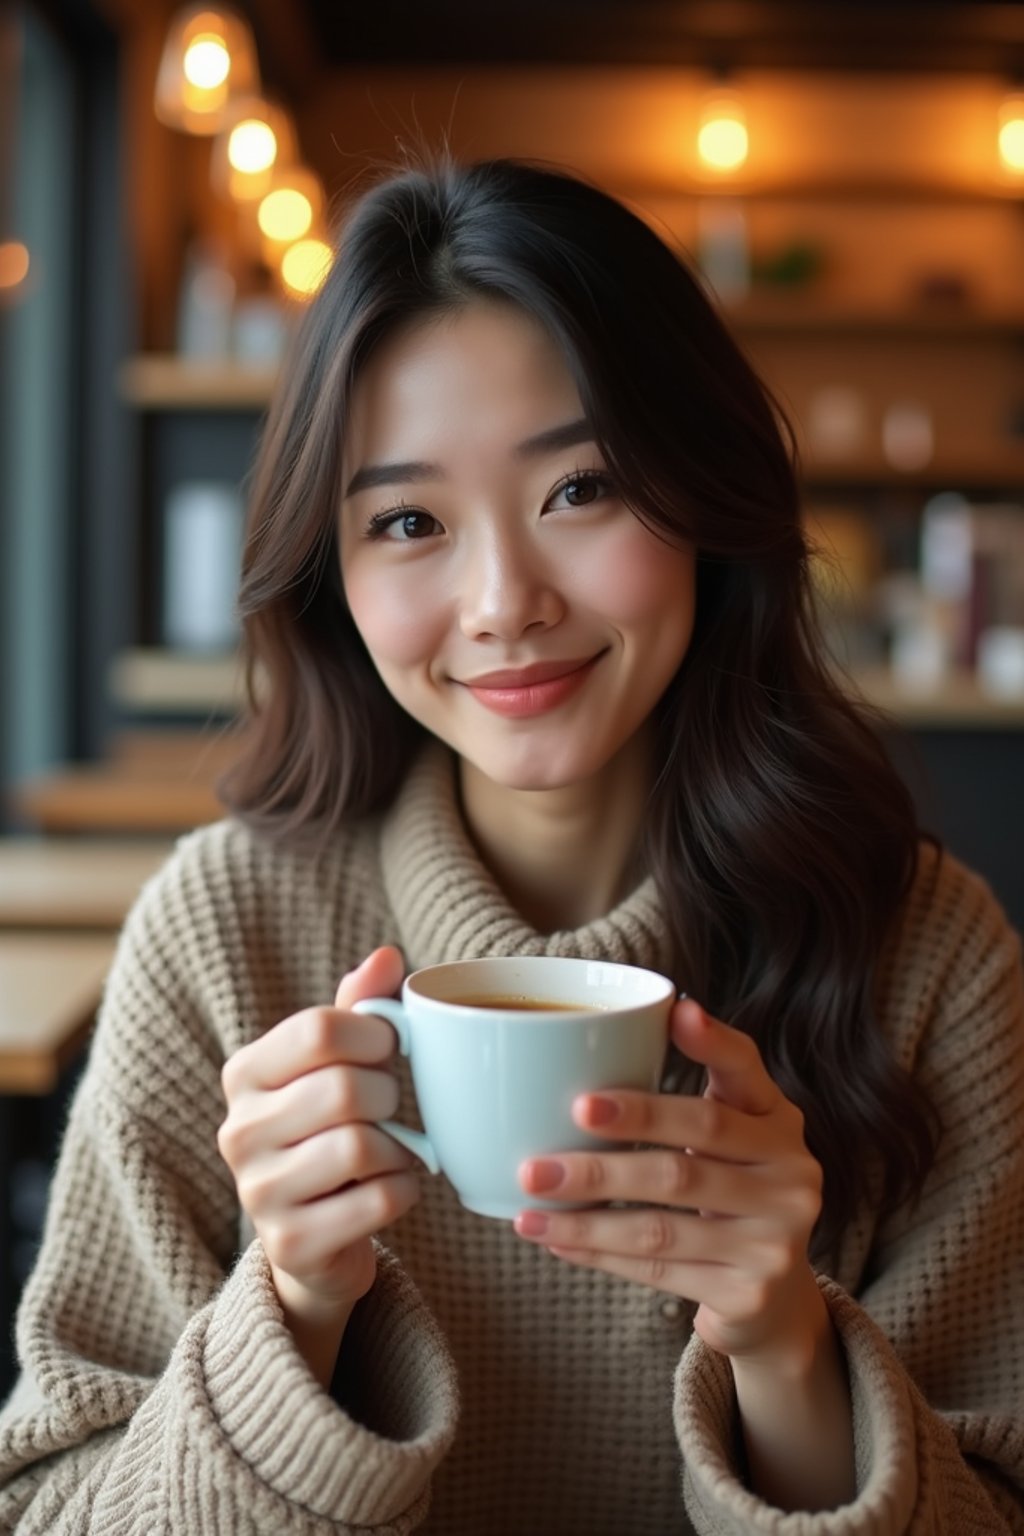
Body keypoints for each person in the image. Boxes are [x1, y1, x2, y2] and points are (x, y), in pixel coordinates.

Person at [1, 155, 1022, 1535]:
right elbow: (54, 1509)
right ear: (332, 572)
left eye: (583, 486)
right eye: (408, 521)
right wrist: (294, 1308)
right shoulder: (224, 935)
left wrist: (785, 1342)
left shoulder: (927, 955)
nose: (502, 603)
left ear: (706, 498)